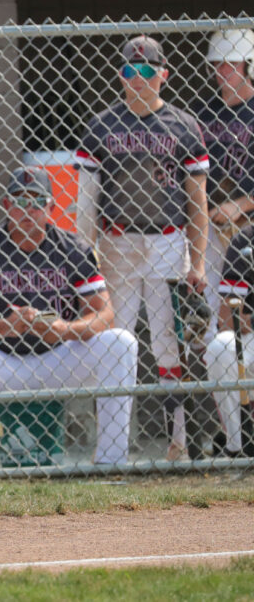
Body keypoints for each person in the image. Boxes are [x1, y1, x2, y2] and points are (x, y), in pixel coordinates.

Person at [0, 167, 138, 470]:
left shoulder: (73, 247)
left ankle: (110, 460)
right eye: (18, 201)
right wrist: (6, 327)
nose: (28, 210)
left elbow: (104, 314)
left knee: (121, 342)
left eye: (37, 201)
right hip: (1, 361)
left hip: (58, 357)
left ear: (51, 207)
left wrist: (64, 330)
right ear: (5, 206)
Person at [75, 35, 209, 461]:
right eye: (131, 71)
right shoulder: (101, 126)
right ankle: (114, 448)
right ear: (121, 76)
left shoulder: (184, 125)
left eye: (148, 70)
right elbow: (86, 202)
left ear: (163, 74)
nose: (139, 78)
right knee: (118, 341)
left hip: (169, 241)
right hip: (117, 242)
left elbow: (197, 201)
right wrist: (85, 254)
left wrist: (199, 259)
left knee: (170, 343)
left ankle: (178, 442)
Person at [194, 30, 254, 334]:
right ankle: (220, 373)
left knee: (244, 306)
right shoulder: (200, 113)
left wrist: (240, 205)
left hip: (248, 227)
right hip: (209, 224)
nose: (222, 72)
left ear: (250, 65)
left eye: (231, 64)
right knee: (212, 308)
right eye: (217, 65)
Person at [205, 225, 254, 457]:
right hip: (251, 338)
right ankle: (239, 448)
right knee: (221, 347)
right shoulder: (245, 240)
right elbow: (228, 318)